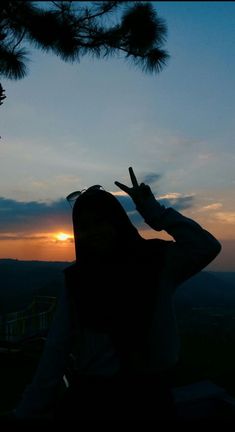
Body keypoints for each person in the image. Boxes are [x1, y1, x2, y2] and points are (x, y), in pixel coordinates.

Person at [13, 167, 221, 425]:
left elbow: (206, 247)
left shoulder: (157, 262)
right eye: (85, 226)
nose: (94, 232)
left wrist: (154, 212)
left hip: (149, 400)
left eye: (101, 221)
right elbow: (56, 348)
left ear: (117, 221)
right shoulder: (78, 279)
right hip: (94, 400)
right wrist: (27, 411)